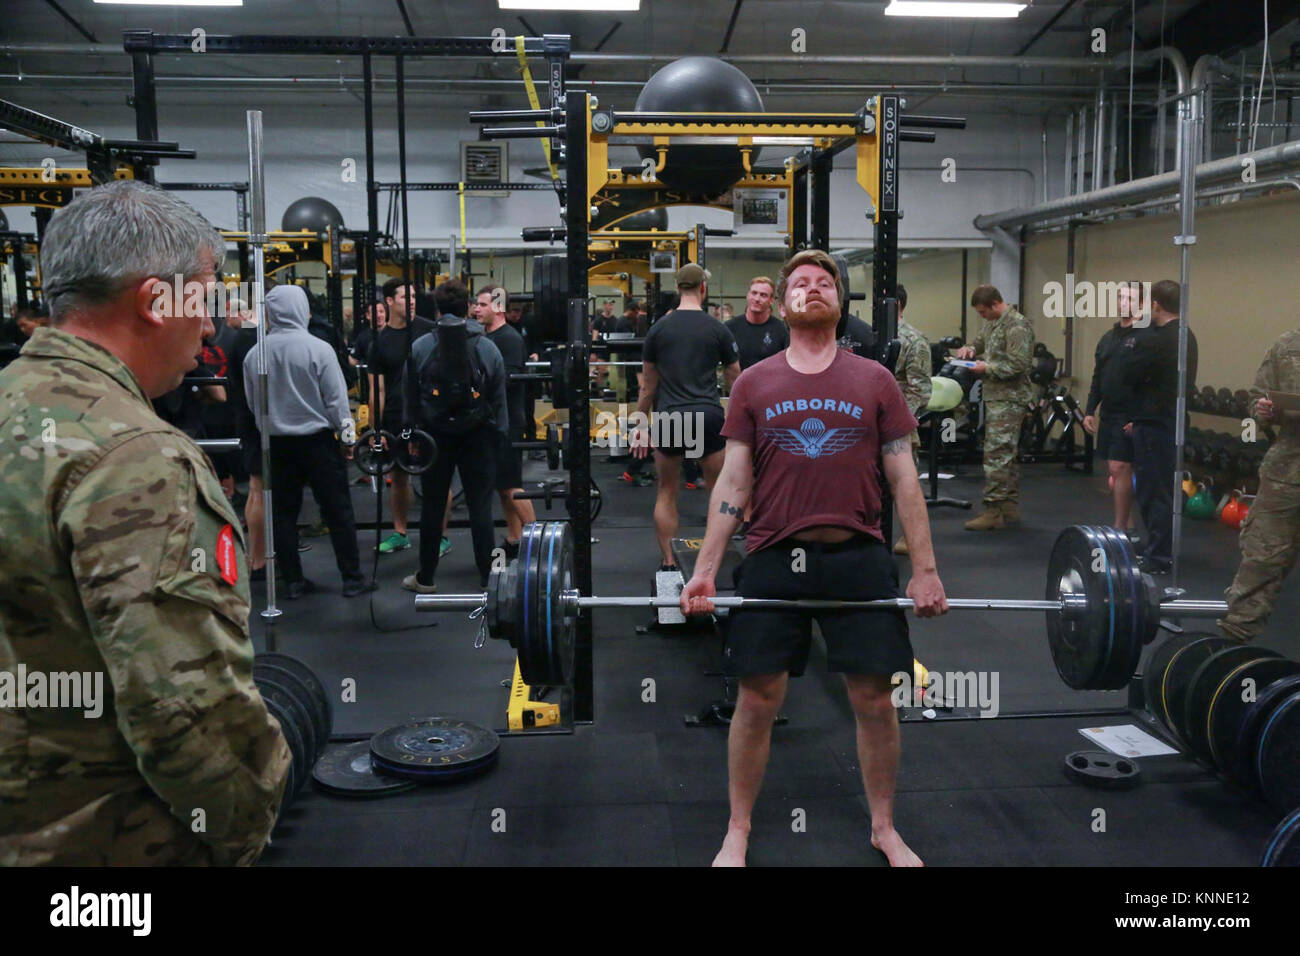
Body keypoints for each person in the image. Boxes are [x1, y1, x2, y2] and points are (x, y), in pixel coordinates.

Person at [0, 180, 289, 865]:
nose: (211, 323)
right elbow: (185, 711)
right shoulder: (136, 457)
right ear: (155, 301)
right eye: (204, 296)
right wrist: (247, 826)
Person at [678, 249, 949, 868]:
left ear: (838, 301)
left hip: (859, 556)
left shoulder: (874, 381)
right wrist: (705, 569)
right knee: (757, 697)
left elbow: (905, 479)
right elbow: (733, 484)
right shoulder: (754, 381)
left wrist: (926, 569)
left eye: (823, 282)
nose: (811, 289)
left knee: (876, 699)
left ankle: (884, 827)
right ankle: (738, 829)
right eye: (799, 283)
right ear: (782, 304)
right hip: (775, 555)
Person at [244, 284, 372, 599]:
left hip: (276, 445)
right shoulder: (318, 349)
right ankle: (352, 579)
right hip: (317, 444)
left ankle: (293, 581)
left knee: (284, 515)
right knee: (337, 510)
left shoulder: (254, 354)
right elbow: (337, 402)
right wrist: (347, 439)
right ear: (303, 310)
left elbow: (253, 404)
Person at [631, 263, 741, 570]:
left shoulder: (658, 329)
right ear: (703, 289)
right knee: (719, 491)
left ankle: (668, 562)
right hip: (707, 415)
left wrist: (639, 423)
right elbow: (735, 376)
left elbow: (648, 388)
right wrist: (738, 417)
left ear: (678, 289)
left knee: (666, 492)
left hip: (670, 417)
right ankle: (713, 558)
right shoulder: (717, 327)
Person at [402, 279, 509, 593]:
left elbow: (410, 396)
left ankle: (426, 578)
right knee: (480, 507)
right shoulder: (487, 347)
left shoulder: (421, 347)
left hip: (435, 437)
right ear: (467, 309)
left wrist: (411, 435)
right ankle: (487, 579)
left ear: (437, 309)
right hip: (478, 435)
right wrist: (499, 437)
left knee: (433, 507)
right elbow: (498, 397)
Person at [1219, 329, 1300, 640]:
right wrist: (1262, 410)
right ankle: (1233, 643)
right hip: (1288, 471)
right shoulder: (1286, 346)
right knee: (1261, 558)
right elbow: (1257, 399)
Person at [1120, 279, 1198, 574]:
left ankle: (1159, 556)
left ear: (1156, 305)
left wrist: (1136, 330)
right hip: (1166, 419)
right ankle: (1157, 547)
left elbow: (1129, 372)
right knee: (1160, 489)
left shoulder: (1157, 338)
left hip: (1157, 424)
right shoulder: (1185, 335)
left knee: (1156, 492)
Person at [953, 285, 1033, 530]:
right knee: (1006, 453)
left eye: (983, 312)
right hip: (997, 397)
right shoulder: (994, 323)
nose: (982, 317)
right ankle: (1008, 506)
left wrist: (986, 368)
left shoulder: (1017, 326)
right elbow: (980, 341)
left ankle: (994, 510)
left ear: (996, 304)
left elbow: (1018, 364)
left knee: (996, 454)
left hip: (1010, 398)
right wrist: (970, 349)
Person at [369, 278, 437, 556]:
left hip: (428, 417)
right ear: (388, 301)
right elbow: (377, 390)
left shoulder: (429, 331)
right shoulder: (380, 341)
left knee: (435, 477)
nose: (410, 301)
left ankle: (440, 536)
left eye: (412, 296)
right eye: (403, 297)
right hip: (396, 419)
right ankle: (400, 532)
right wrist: (376, 430)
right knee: (398, 477)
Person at [475, 284, 537, 558]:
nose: (477, 309)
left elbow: (509, 379)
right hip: (491, 422)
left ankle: (538, 541)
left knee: (511, 485)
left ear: (498, 308)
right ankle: (515, 539)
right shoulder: (485, 337)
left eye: (483, 304)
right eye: (476, 304)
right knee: (502, 486)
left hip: (509, 421)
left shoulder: (509, 339)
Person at [1082, 282, 1144, 538]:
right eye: (1120, 297)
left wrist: (1138, 417)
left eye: (1129, 298)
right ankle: (1126, 525)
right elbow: (1099, 376)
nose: (1123, 302)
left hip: (1129, 415)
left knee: (1120, 468)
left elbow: (1149, 382)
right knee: (1114, 470)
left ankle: (1121, 528)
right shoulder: (1108, 338)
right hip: (1109, 412)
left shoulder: (1145, 338)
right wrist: (1089, 410)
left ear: (1141, 305)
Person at [225, 298, 268, 580]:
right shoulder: (250, 340)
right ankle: (259, 560)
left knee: (259, 490)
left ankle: (258, 557)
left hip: (251, 418)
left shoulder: (245, 339)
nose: (227, 318)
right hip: (258, 420)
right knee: (258, 489)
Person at [889, 284, 932, 556]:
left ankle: (911, 538)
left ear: (897, 304)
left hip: (899, 424)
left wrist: (896, 419)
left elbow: (921, 389)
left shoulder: (915, 341)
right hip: (869, 420)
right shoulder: (870, 336)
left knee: (906, 483)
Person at [724, 276, 789, 372]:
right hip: (738, 384)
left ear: (771, 300)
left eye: (763, 295)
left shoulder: (781, 330)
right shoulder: (730, 327)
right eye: (754, 293)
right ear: (748, 295)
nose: (757, 299)